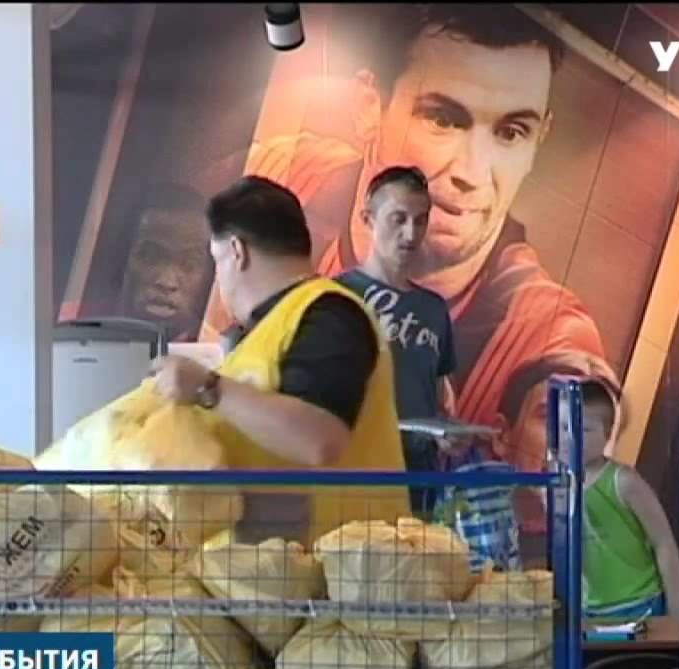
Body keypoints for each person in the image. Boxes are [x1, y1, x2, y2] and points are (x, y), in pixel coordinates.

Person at [196, 3, 619, 466]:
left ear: (540, 139)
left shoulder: (546, 330)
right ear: (368, 107)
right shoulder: (286, 174)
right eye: (443, 120)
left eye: (512, 131)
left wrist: (450, 437)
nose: (473, 172)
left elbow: (573, 454)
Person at [151, 175, 410, 544]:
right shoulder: (270, 328)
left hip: (345, 563)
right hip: (284, 563)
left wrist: (208, 389)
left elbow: (319, 438)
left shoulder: (328, 315)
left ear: (237, 252)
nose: (219, 281)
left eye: (216, 262)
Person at [333, 166, 457, 505]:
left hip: (418, 476)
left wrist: (447, 433)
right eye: (398, 219)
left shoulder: (434, 309)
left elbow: (439, 395)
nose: (410, 233)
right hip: (353, 470)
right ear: (368, 219)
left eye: (421, 220)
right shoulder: (336, 297)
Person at [575, 381, 679, 619]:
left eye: (584, 429)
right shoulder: (557, 485)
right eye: (564, 427)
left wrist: (677, 616)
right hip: (588, 611)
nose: (572, 436)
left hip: (639, 605)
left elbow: (664, 543)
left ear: (607, 433)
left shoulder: (623, 481)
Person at [118, 184, 214, 341]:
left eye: (189, 264)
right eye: (150, 257)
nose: (166, 282)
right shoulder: (81, 324)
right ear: (123, 260)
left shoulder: (222, 350)